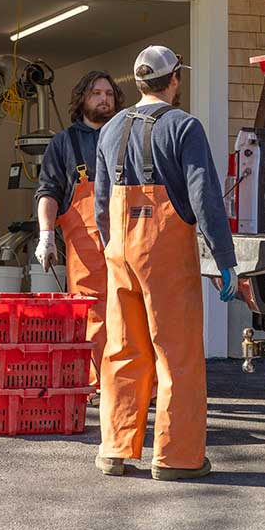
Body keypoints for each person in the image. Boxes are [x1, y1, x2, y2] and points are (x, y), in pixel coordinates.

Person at [94, 45, 237, 481]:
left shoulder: (111, 128)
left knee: (122, 349)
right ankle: (177, 459)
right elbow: (205, 196)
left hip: (119, 248)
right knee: (177, 355)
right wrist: (224, 261)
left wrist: (111, 247)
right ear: (175, 80)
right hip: (164, 252)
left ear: (138, 83)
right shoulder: (184, 126)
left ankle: (115, 451)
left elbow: (101, 204)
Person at [34, 70, 124, 385]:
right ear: (82, 100)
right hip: (86, 247)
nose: (104, 99)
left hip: (129, 241)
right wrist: (46, 237)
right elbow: (48, 192)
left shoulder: (127, 135)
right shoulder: (64, 143)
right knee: (93, 315)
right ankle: (98, 383)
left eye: (109, 94)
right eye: (96, 93)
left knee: (132, 312)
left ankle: (138, 385)